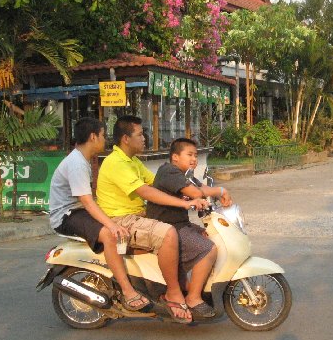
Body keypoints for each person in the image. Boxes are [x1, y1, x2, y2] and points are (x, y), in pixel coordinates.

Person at [96, 116, 208, 324]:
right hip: (122, 220)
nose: (145, 138)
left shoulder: (133, 162)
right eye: (140, 134)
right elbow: (146, 192)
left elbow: (156, 184)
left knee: (193, 231)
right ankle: (173, 293)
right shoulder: (116, 163)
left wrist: (203, 193)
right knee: (168, 233)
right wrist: (184, 204)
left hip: (138, 216)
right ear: (126, 139)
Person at [49, 118, 151, 312]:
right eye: (103, 135)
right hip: (66, 215)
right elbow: (87, 201)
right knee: (109, 234)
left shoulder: (82, 159)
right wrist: (111, 226)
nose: (106, 139)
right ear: (93, 137)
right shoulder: (77, 163)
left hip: (76, 209)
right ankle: (128, 291)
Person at [146, 138, 233, 320]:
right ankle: (193, 298)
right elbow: (196, 192)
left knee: (210, 236)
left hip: (179, 225)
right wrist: (221, 191)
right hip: (166, 228)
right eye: (190, 155)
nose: (194, 159)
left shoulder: (185, 175)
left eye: (196, 155)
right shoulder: (168, 171)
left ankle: (194, 286)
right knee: (208, 249)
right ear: (175, 157)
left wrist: (217, 193)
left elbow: (202, 188)